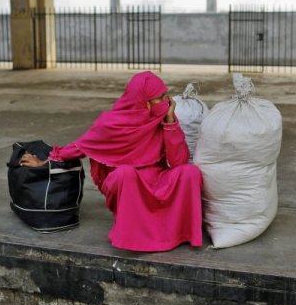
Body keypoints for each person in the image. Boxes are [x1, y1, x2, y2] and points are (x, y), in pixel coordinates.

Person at [19, 71, 203, 252]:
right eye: (160, 98)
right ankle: (134, 238)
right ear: (145, 103)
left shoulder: (162, 119)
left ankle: (179, 234)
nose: (167, 101)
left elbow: (179, 161)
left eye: (166, 96)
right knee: (125, 173)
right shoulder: (112, 122)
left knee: (190, 172)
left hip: (158, 179)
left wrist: (170, 122)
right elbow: (81, 146)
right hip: (130, 182)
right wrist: (46, 162)